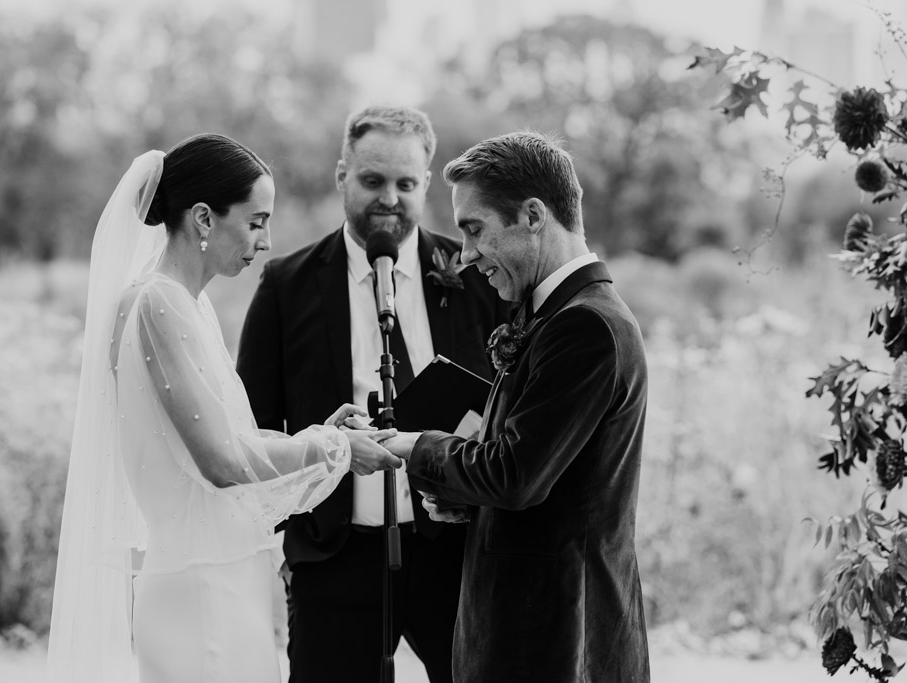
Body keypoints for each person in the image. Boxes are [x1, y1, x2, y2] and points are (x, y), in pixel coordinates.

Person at [46, 133, 402, 683]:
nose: (265, 240)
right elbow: (222, 463)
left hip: (220, 575)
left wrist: (313, 434)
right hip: (201, 587)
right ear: (205, 219)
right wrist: (334, 449)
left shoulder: (184, 303)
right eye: (257, 221)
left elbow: (223, 438)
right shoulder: (159, 303)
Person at [236, 106, 506, 683]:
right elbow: (254, 428)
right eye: (372, 180)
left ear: (426, 183)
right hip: (335, 558)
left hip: (455, 554)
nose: (390, 198)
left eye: (405, 184)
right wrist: (288, 544)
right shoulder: (286, 285)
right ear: (342, 177)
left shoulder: (478, 274)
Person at [383, 132, 652, 682]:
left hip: (557, 639)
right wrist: (466, 501)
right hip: (525, 632)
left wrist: (415, 447)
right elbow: (543, 475)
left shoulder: (587, 326)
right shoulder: (555, 317)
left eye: (475, 229)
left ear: (533, 215)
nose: (465, 256)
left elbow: (515, 475)